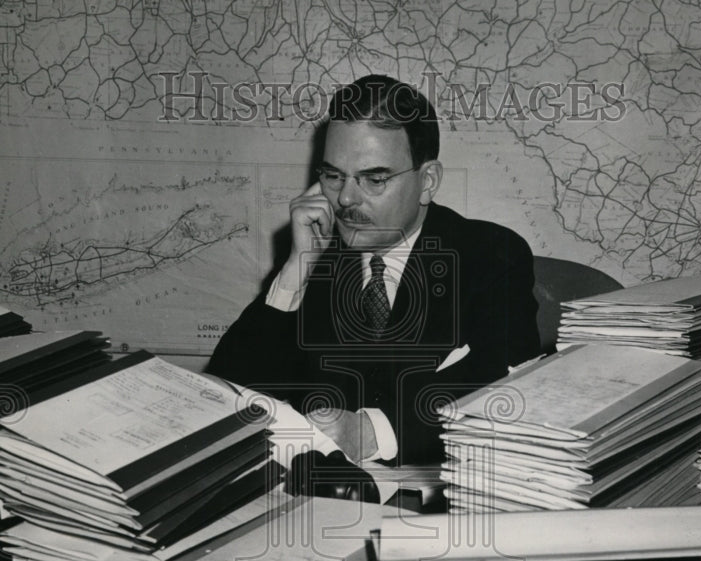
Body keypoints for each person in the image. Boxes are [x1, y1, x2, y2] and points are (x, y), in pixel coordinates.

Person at [207, 74, 540, 465]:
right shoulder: (319, 259)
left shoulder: (490, 256)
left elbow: (507, 388)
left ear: (428, 181)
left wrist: (370, 432)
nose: (346, 198)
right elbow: (230, 389)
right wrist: (296, 270)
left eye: (374, 178)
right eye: (333, 176)